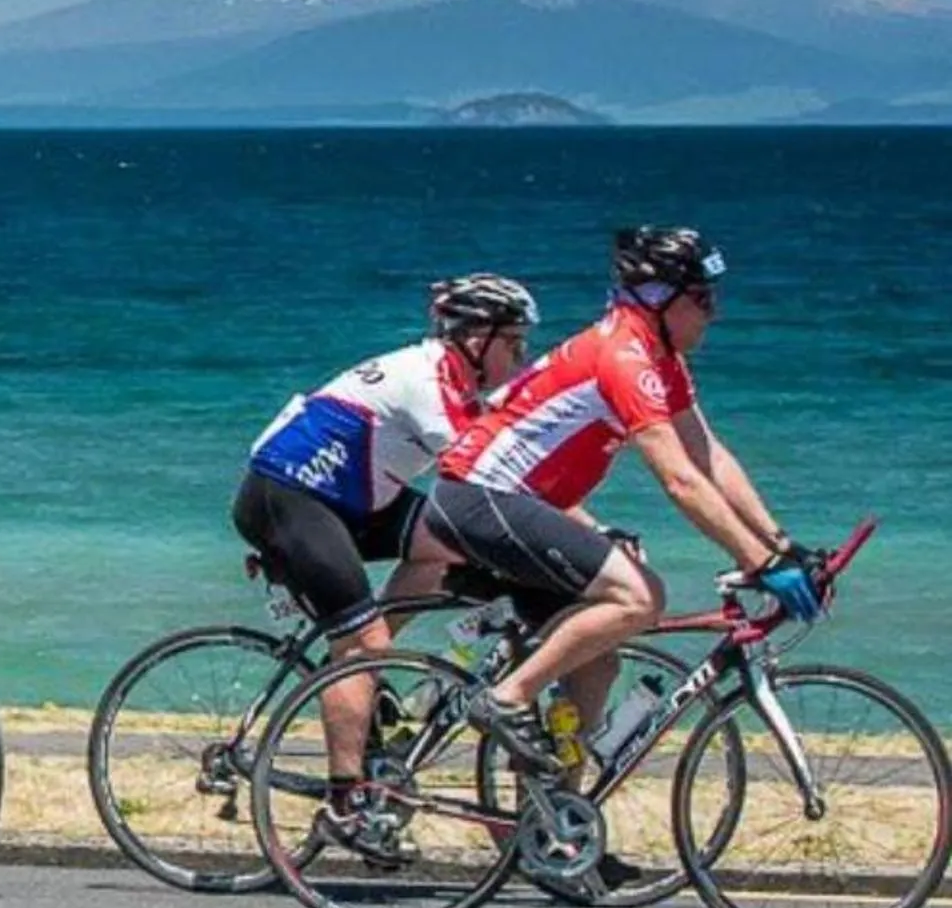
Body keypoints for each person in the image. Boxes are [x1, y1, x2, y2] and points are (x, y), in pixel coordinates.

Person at [429, 226, 825, 774]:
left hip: (516, 503)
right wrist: (758, 562)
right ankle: (505, 699)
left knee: (595, 664)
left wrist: (780, 545)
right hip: (479, 495)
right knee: (640, 596)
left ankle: (551, 833)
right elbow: (681, 481)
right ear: (658, 300)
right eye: (703, 299)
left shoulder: (661, 358)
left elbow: (708, 455)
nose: (714, 313)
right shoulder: (623, 356)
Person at [237, 275, 537, 852]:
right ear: (475, 339)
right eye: (515, 344)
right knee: (363, 646)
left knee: (446, 545)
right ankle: (344, 806)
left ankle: (365, 664)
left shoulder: (455, 375)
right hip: (287, 497)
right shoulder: (426, 384)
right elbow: (492, 477)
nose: (522, 357)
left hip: (353, 496)